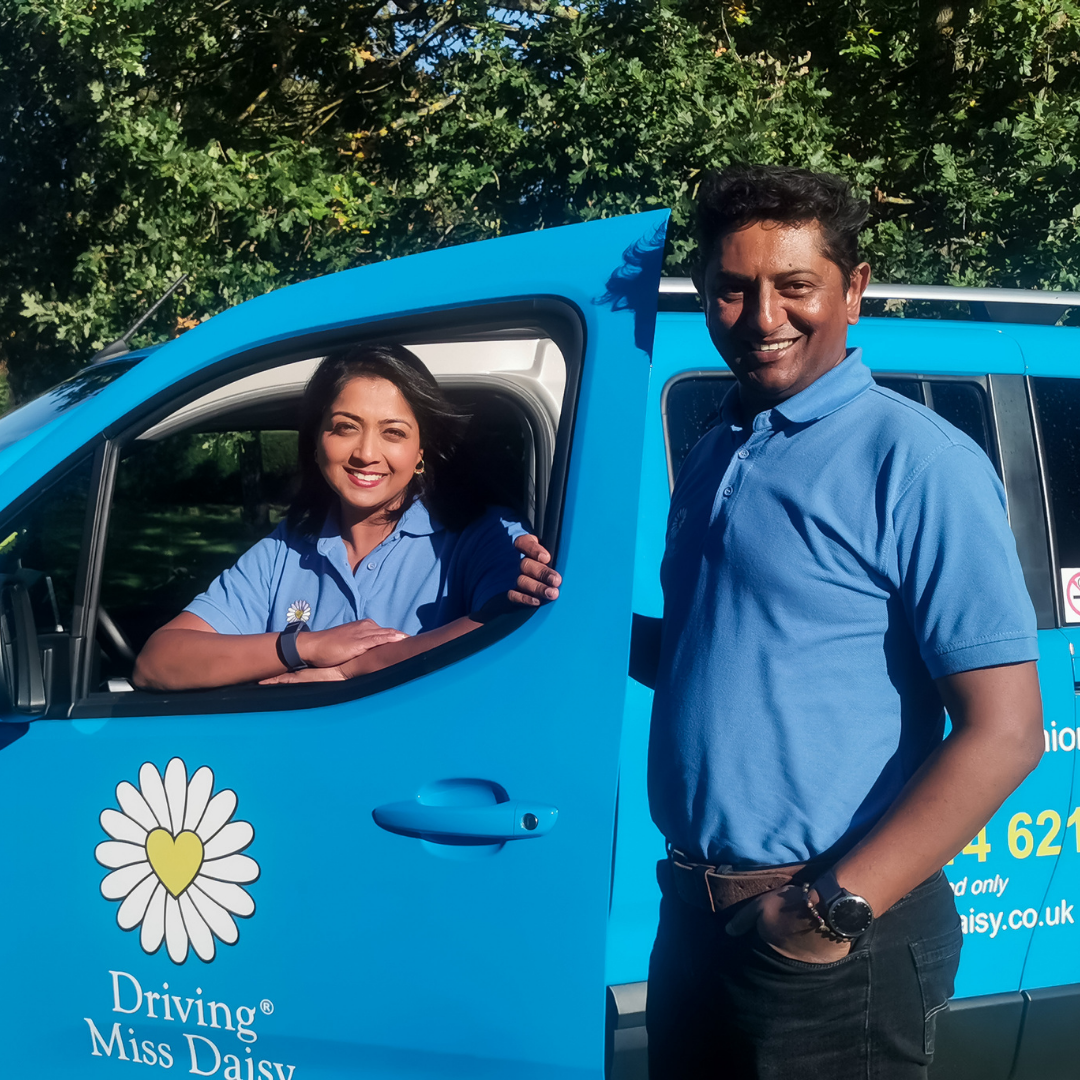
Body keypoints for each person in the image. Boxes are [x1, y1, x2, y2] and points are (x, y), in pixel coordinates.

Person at [638, 165, 1044, 1079]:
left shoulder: (918, 462)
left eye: (795, 286)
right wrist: (562, 626)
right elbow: (722, 656)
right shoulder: (715, 451)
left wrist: (829, 914)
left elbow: (1008, 731)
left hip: (828, 936)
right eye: (732, 290)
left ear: (853, 290)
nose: (762, 316)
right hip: (694, 922)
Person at [133, 343, 561, 691]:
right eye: (344, 427)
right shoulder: (285, 550)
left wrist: (354, 670)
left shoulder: (481, 534)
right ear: (317, 441)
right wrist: (308, 646)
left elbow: (507, 632)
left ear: (420, 455)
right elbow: (156, 663)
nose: (366, 453)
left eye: (393, 432)